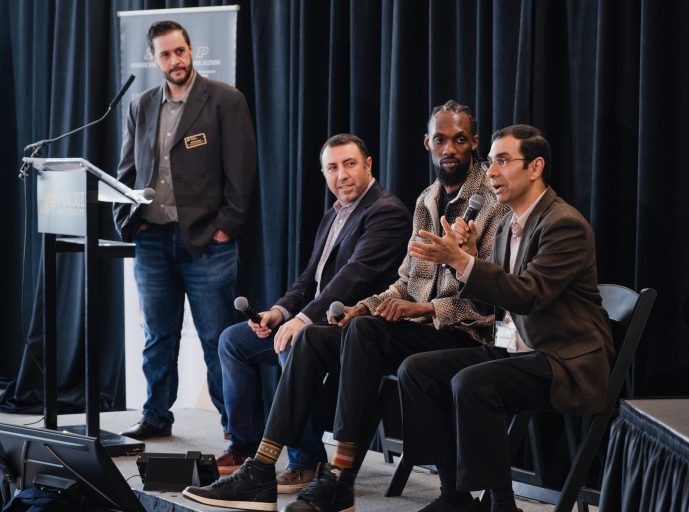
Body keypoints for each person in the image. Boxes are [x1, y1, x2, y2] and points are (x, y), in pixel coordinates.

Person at [181, 99, 508, 511]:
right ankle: (261, 469)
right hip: (417, 332)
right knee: (315, 338)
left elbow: (494, 300)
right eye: (440, 139)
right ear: (427, 143)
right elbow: (405, 282)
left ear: (475, 143)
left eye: (460, 140)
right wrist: (365, 306)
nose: (450, 149)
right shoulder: (427, 200)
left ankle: (339, 477)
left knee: (360, 330)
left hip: (462, 333)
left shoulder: (493, 202)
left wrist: (423, 309)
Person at [401, 124, 614, 512]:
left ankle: (502, 505)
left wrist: (464, 263)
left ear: (535, 167)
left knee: (473, 383)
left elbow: (530, 295)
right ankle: (455, 496)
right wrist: (470, 263)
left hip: (563, 359)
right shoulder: (504, 227)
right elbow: (491, 307)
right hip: (514, 349)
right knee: (416, 371)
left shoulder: (563, 224)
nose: (492, 172)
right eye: (490, 161)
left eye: (503, 161)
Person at [215, 133, 412, 491]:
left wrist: (302, 320)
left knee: (294, 344)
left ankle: (305, 461)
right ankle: (244, 444)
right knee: (233, 341)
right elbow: (311, 278)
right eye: (332, 168)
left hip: (355, 329)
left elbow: (354, 277)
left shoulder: (387, 212)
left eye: (350, 164)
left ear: (369, 165)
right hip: (314, 319)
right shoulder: (333, 214)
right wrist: (279, 311)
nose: (342, 175)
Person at [113, 20, 257, 440]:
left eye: (179, 51)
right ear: (153, 59)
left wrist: (226, 228)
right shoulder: (139, 105)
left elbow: (242, 171)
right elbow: (128, 169)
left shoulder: (224, 100)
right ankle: (156, 416)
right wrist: (131, 221)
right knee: (157, 336)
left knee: (217, 340)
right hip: (152, 239)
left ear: (191, 50)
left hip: (207, 243)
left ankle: (237, 430)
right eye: (165, 54)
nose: (174, 61)